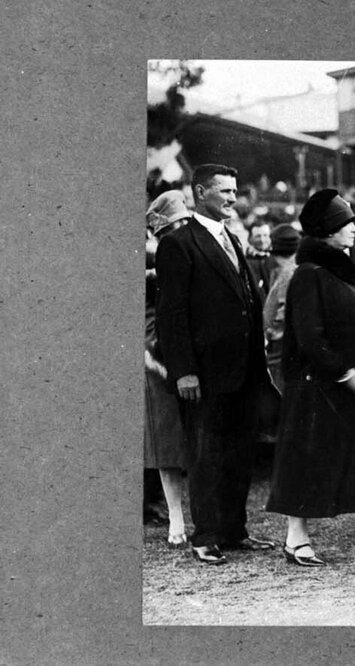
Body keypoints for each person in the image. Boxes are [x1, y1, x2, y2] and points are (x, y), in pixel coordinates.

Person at [265, 190, 355, 567]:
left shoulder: (343, 268)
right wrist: (346, 372)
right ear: (327, 232)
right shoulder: (308, 274)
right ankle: (296, 539)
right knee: (304, 464)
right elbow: (310, 337)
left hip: (351, 385)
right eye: (348, 223)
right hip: (318, 389)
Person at [156, 164, 276, 565]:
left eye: (235, 191)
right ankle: (205, 536)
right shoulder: (180, 243)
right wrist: (184, 370)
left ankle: (233, 530)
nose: (232, 198)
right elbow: (172, 316)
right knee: (205, 455)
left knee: (239, 453)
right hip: (203, 374)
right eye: (223, 191)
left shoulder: (232, 239)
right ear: (200, 192)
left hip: (243, 371)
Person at [144, 190, 192, 547]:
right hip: (158, 357)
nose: (183, 229)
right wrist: (153, 359)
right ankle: (176, 514)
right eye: (177, 224)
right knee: (167, 441)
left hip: (192, 355)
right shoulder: (151, 256)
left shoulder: (192, 249)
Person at [262, 223, 301, 394]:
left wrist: (270, 332)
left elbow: (281, 313)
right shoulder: (289, 269)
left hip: (281, 345)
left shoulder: (288, 272)